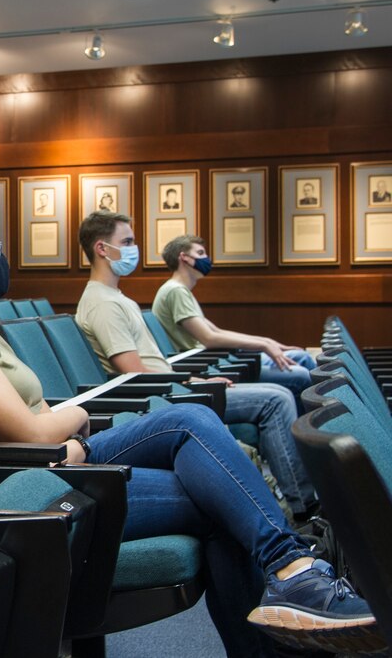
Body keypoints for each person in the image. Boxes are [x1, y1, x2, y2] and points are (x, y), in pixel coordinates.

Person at [0, 203, 376, 657]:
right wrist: (71, 423)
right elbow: (35, 431)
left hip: (56, 465)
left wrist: (63, 424)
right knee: (197, 444)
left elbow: (37, 415)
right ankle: (293, 576)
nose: (0, 256)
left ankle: (291, 582)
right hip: (23, 488)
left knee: (210, 470)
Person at [75, 212, 317, 521]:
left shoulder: (114, 296)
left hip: (169, 387)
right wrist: (189, 384)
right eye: (127, 242)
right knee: (276, 399)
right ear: (102, 249)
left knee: (278, 393)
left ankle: (297, 504)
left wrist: (192, 377)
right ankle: (304, 508)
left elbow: (152, 364)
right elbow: (133, 371)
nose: (133, 248)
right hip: (160, 398)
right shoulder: (103, 303)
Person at [153, 234, 316, 399]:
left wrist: (267, 342)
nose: (207, 259)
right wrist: (263, 346)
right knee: (301, 374)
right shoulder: (176, 291)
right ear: (184, 258)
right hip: (207, 366)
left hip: (214, 362)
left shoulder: (180, 290)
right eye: (201, 253)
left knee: (300, 357)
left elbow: (217, 331)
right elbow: (209, 338)